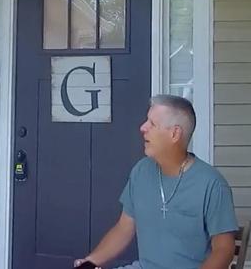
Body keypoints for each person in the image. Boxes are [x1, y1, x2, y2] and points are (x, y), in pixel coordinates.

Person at [76, 95, 238, 269]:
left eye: (152, 124)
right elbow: (124, 228)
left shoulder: (212, 184)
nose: (142, 128)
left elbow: (224, 249)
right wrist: (90, 262)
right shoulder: (141, 171)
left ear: (174, 134)